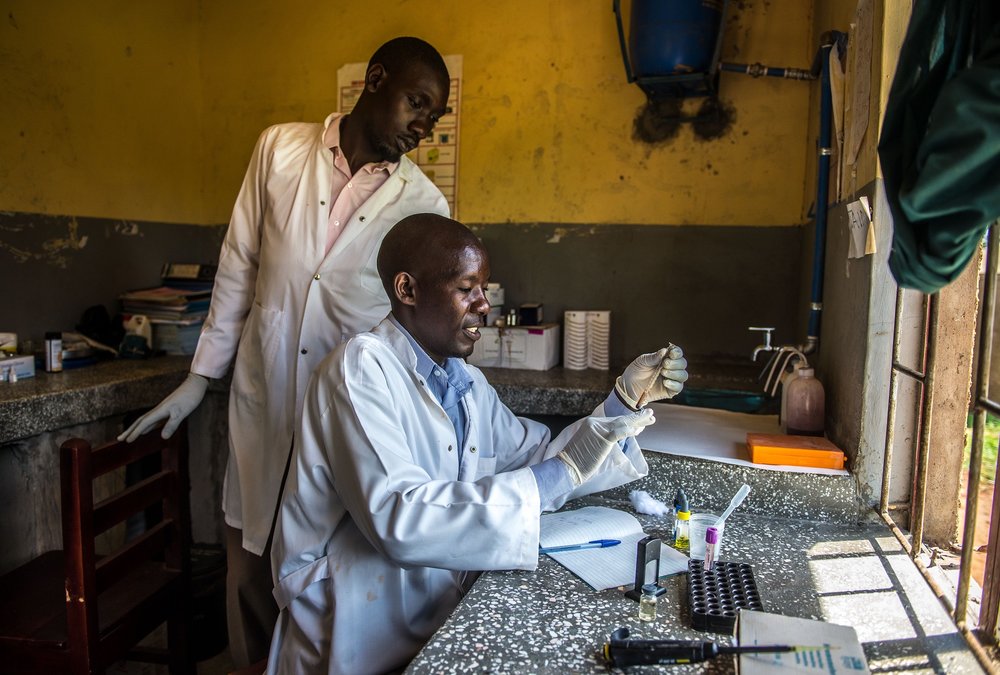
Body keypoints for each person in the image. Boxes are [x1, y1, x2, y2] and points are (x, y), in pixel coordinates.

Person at [118, 37, 452, 667]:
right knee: (248, 573)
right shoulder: (279, 148)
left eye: (434, 118)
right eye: (416, 103)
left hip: (345, 418)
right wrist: (198, 378)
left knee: (327, 584)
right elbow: (239, 265)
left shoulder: (423, 205)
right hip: (262, 398)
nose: (423, 126)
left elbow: (416, 329)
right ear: (374, 79)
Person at [267, 213, 689, 674]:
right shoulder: (361, 369)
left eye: (484, 289)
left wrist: (624, 403)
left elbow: (536, 461)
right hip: (355, 626)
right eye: (467, 289)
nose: (484, 305)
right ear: (407, 290)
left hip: (433, 613)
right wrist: (562, 470)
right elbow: (399, 516)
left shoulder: (464, 381)